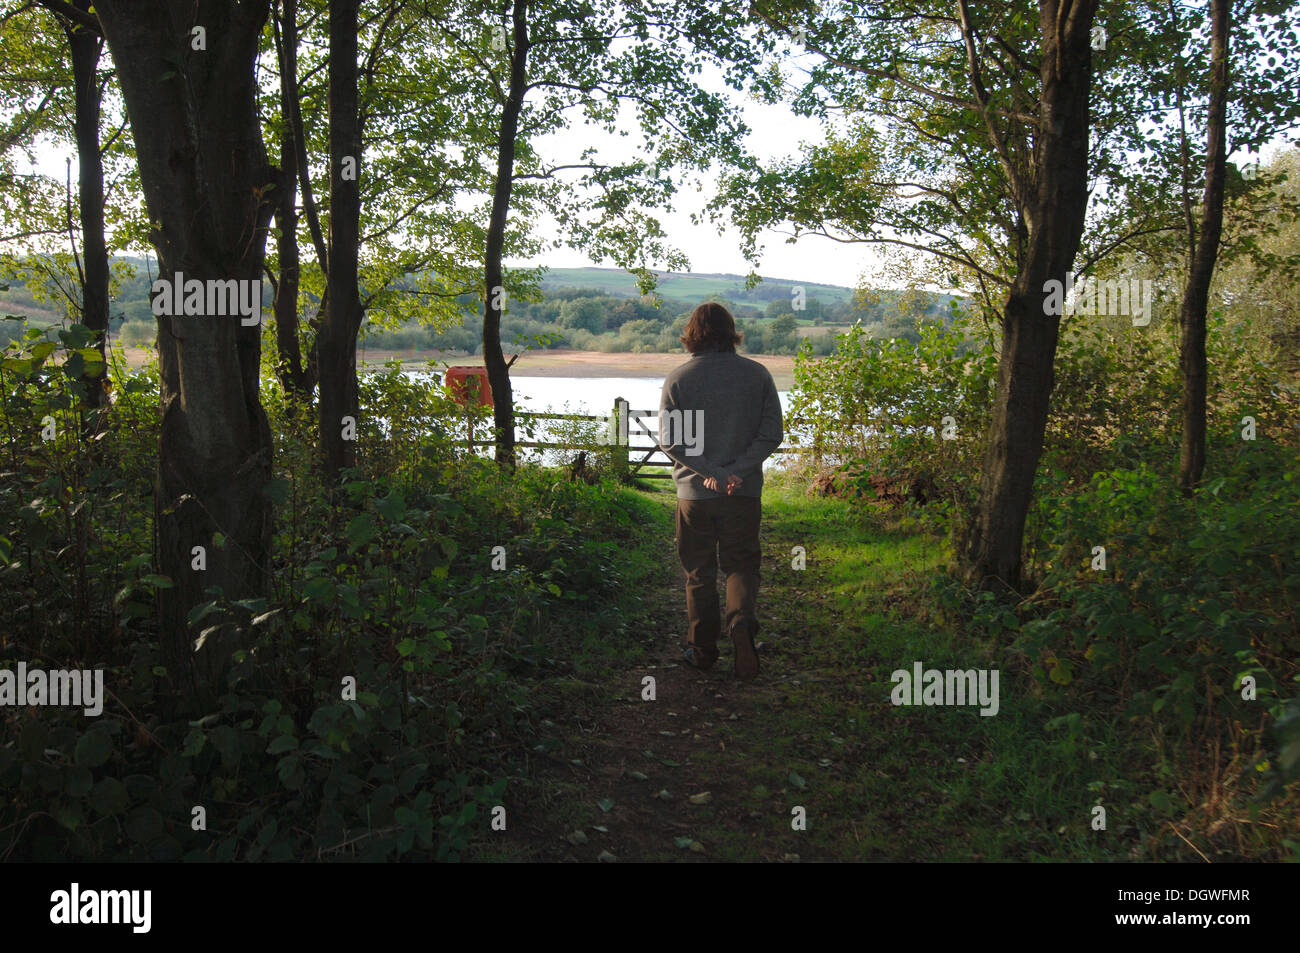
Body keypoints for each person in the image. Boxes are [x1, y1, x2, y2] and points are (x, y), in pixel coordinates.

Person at [656, 302, 783, 681]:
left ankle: (703, 650)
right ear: (732, 332)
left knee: (699, 571)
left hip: (694, 496)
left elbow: (671, 442)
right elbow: (771, 434)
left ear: (692, 333)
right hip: (742, 494)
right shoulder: (757, 375)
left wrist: (711, 473)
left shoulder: (678, 379)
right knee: (741, 565)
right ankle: (741, 624)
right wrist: (734, 473)